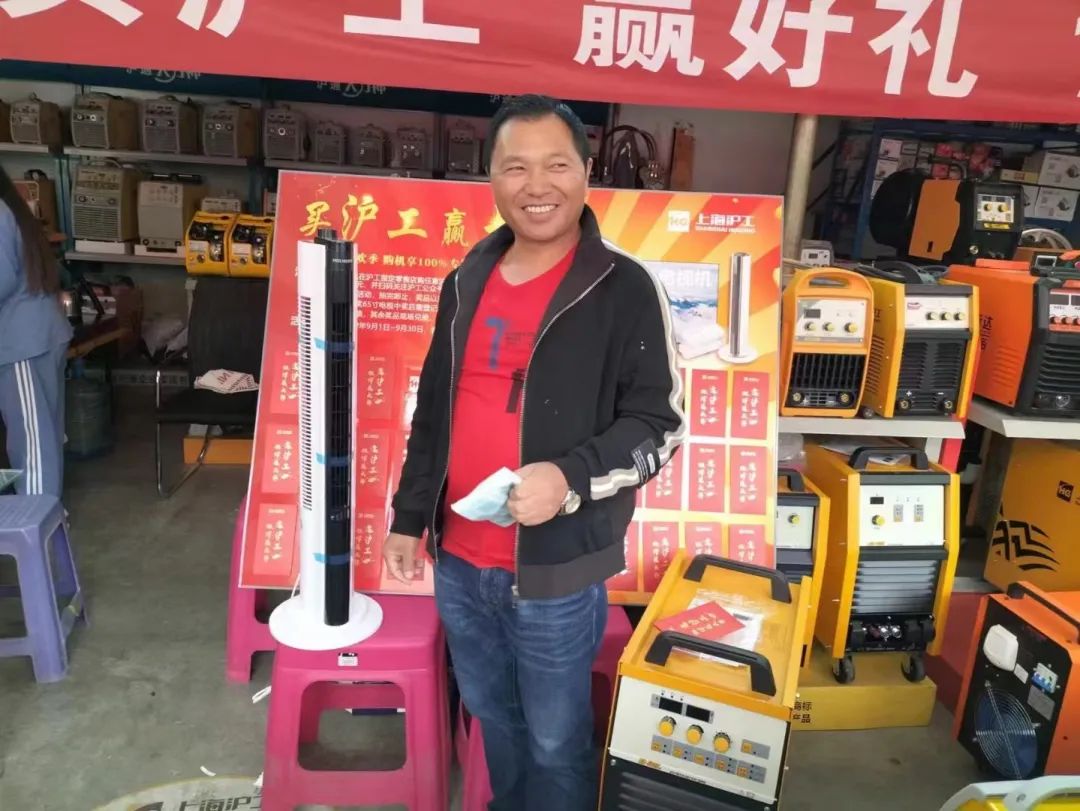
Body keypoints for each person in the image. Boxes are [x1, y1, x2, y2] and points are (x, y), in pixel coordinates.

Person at [384, 95, 686, 811]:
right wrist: (408, 517)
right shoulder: (466, 280)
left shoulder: (624, 288)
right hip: (460, 563)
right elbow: (435, 412)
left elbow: (659, 423)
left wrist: (569, 478)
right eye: (515, 167)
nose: (536, 185)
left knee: (555, 740)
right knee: (494, 716)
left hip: (556, 572)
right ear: (491, 177)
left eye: (556, 165)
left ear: (585, 172)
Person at [0, 165, 72, 497]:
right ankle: (48, 513)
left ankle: (37, 518)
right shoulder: (12, 210)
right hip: (38, 335)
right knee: (43, 434)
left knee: (32, 442)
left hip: (24, 343)